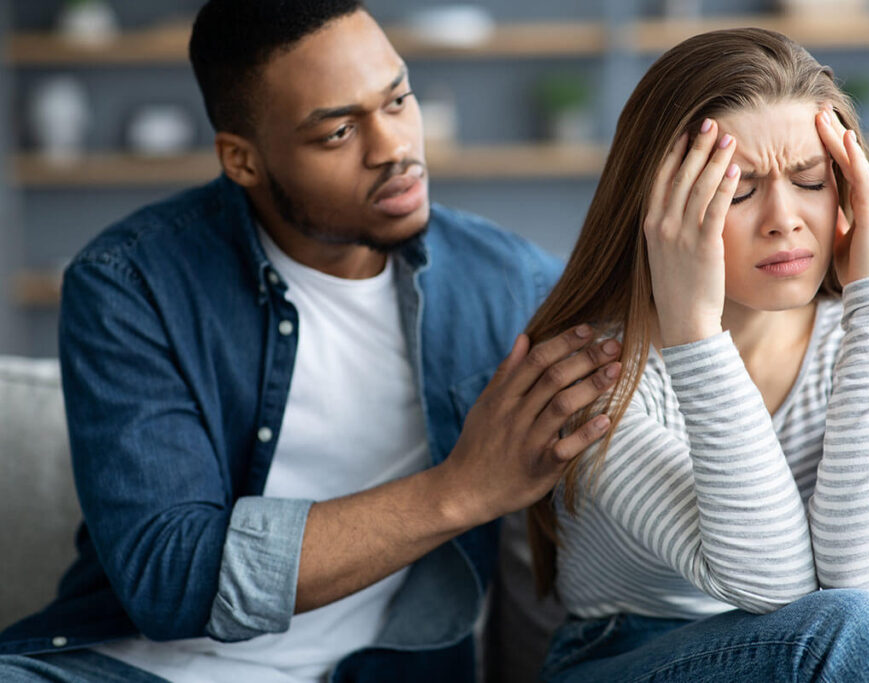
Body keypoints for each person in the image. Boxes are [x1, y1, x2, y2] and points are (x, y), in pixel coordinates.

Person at [0, 1, 623, 681]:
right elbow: (170, 578)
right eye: (338, 132)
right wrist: (462, 490)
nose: (393, 147)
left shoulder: (511, 285)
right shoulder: (130, 285)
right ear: (242, 159)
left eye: (398, 100)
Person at [523, 28, 869, 682]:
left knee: (857, 623)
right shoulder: (592, 374)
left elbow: (862, 576)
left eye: (811, 179)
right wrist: (695, 331)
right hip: (621, 658)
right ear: (659, 207)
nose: (784, 218)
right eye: (739, 190)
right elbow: (775, 587)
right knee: (853, 630)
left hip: (815, 652)